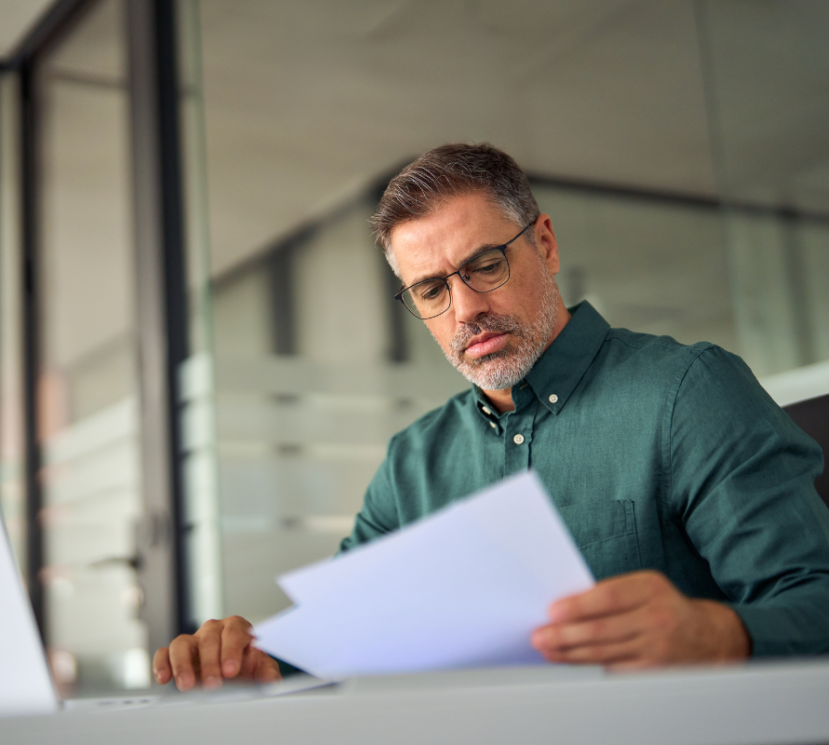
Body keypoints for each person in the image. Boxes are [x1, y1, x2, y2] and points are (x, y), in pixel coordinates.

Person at [154, 143, 829, 691]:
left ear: (546, 244)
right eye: (431, 289)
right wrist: (253, 658)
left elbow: (814, 596)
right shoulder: (412, 463)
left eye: (484, 264)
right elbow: (342, 638)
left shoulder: (687, 392)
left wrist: (720, 635)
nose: (465, 309)